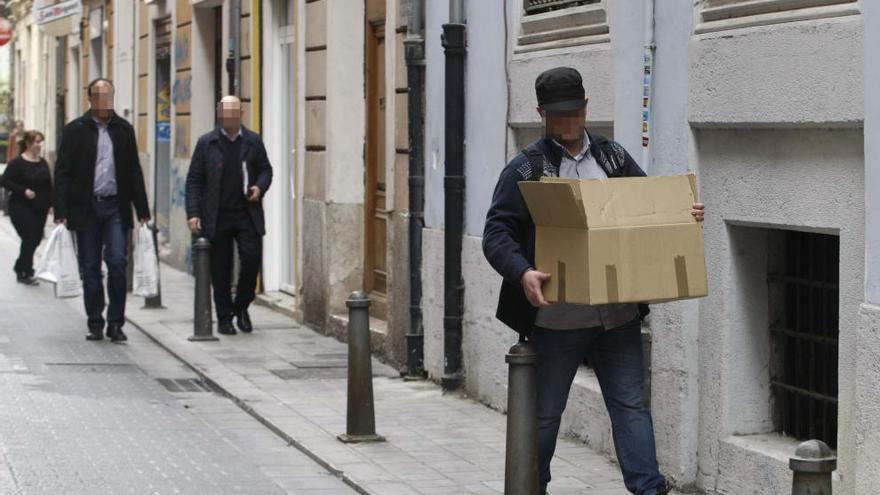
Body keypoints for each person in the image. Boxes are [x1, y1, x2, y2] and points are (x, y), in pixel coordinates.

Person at [482, 67, 705, 495]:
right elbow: (496, 233)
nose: (567, 124)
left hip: (615, 316)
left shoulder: (613, 158)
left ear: (586, 107)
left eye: (573, 113)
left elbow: (649, 210)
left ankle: (648, 490)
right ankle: (531, 488)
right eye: (556, 116)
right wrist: (523, 272)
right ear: (541, 114)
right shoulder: (527, 168)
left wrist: (684, 214)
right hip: (556, 322)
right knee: (544, 415)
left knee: (631, 408)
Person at [54, 78, 151, 343]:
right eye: (98, 96)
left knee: (118, 263)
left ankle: (116, 323)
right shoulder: (75, 130)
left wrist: (142, 208)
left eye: (108, 95)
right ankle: (95, 321)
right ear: (90, 99)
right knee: (90, 267)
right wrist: (61, 210)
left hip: (115, 207)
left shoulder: (124, 129)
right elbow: (62, 172)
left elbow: (134, 170)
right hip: (85, 209)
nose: (103, 101)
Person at [185, 96, 273, 335]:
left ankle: (242, 306)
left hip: (247, 213)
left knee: (252, 259)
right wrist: (193, 213)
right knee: (220, 269)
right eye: (225, 111)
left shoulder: (253, 141)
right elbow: (194, 180)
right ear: (219, 112)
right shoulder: (207, 143)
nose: (229, 116)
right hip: (217, 215)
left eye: (234, 111)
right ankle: (224, 317)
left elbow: (266, 169)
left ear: (241, 113)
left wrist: (259, 187)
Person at [0, 130, 52, 285]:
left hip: (39, 208)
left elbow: (49, 185)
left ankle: (20, 265)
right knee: (29, 237)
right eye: (36, 142)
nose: (39, 145)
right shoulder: (17, 163)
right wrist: (23, 191)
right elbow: (4, 181)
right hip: (20, 206)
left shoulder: (43, 163)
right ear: (28, 144)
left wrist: (52, 204)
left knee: (35, 239)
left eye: (40, 142)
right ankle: (26, 271)